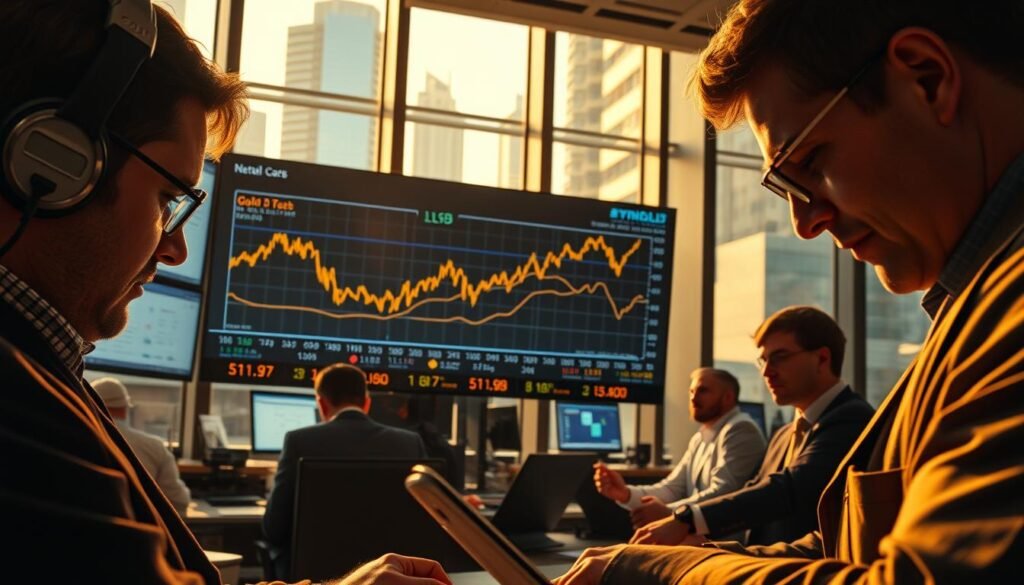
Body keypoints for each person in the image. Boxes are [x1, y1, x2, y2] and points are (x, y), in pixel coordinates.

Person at [556, 0, 1024, 582]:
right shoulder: (974, 308)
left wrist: (660, 574)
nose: (806, 222)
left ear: (927, 79)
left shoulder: (1007, 309)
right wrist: (658, 562)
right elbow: (848, 554)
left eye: (810, 160)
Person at [0, 2, 449, 583]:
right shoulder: (17, 404)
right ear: (52, 163)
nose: (175, 250)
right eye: (167, 198)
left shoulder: (41, 372)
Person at [630, 306, 873, 547]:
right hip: (764, 563)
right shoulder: (783, 435)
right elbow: (754, 498)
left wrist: (687, 519)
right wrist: (705, 545)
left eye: (779, 357)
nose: (766, 372)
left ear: (822, 359)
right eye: (763, 360)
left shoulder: (852, 419)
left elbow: (787, 491)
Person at [263, 363, 430, 578]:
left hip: (315, 577)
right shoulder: (410, 443)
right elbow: (422, 525)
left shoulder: (298, 441)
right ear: (367, 403)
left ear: (322, 404)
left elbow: (274, 528)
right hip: (387, 577)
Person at [593, 367, 766, 532]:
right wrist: (625, 494)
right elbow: (672, 489)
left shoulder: (741, 429)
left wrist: (671, 513)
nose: (693, 398)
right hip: (699, 537)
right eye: (691, 391)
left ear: (728, 397)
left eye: (703, 391)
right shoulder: (701, 437)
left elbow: (723, 494)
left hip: (725, 541)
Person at [92, 376, 191, 515]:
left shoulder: (79, 440)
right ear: (125, 408)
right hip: (142, 526)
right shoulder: (155, 447)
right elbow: (179, 502)